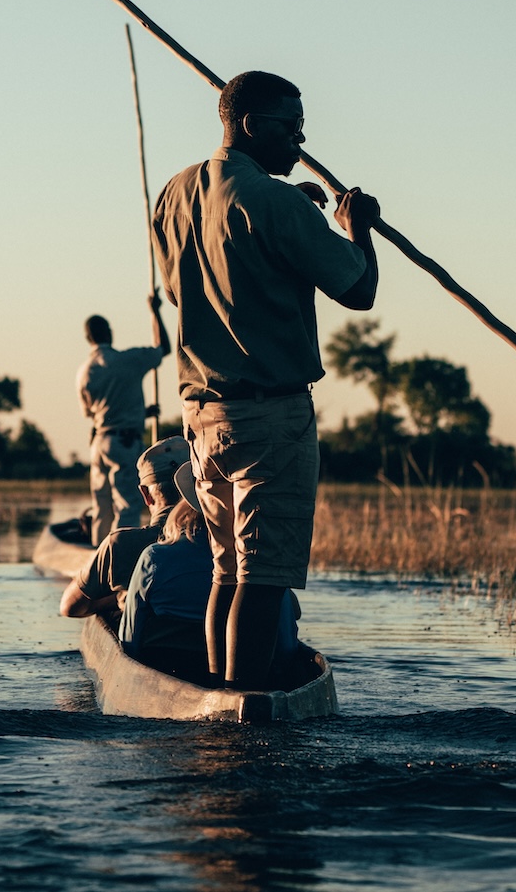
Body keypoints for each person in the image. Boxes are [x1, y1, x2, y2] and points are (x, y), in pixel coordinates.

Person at [151, 70, 378, 689]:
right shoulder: (272, 203)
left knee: (226, 571)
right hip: (269, 417)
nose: (300, 142)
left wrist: (294, 216)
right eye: (290, 127)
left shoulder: (174, 193)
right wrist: (357, 227)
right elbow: (358, 288)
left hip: (204, 416)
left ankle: (221, 696)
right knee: (263, 577)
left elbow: (182, 288)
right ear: (251, 125)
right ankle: (244, 724)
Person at [122, 462, 303, 685]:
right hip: (251, 679)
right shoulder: (260, 565)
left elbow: (129, 640)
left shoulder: (154, 557)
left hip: (170, 671)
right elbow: (286, 648)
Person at [59, 436, 191, 628]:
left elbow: (69, 607)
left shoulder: (120, 544)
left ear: (145, 494)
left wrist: (119, 598)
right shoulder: (222, 539)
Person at [76, 294, 171, 543]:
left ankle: (98, 558)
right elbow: (164, 349)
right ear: (109, 332)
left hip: (99, 442)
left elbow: (94, 412)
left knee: (102, 507)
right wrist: (155, 311)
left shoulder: (84, 372)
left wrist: (141, 412)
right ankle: (121, 560)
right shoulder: (127, 360)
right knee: (127, 506)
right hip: (124, 443)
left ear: (88, 338)